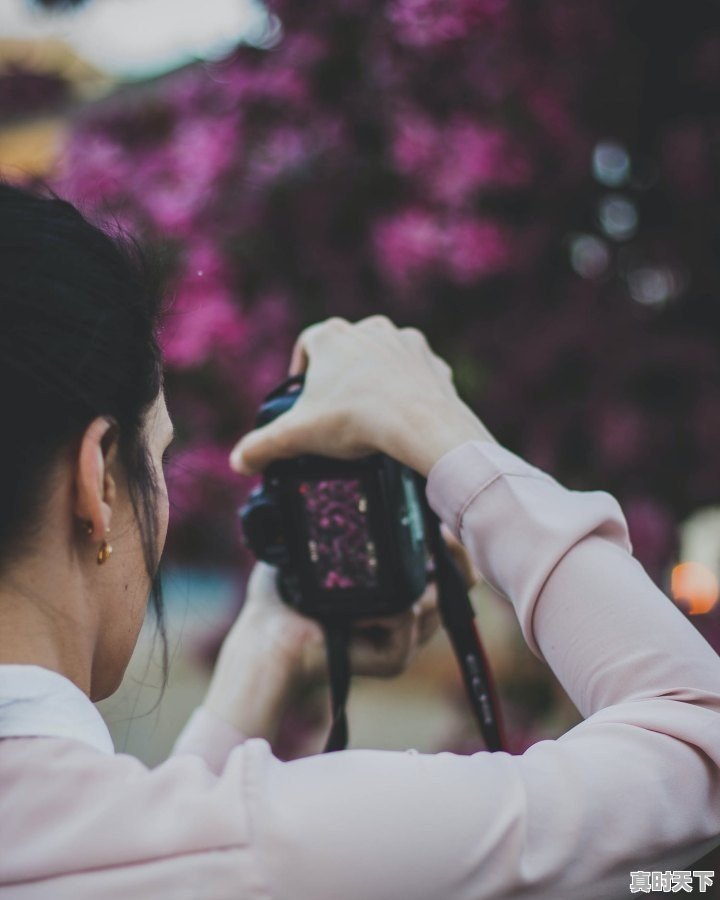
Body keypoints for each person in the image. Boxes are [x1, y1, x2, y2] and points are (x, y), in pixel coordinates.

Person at [0, 181, 718, 900]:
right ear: (99, 483)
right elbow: (697, 751)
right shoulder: (258, 847)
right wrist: (439, 426)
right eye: (160, 458)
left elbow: (166, 856)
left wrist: (265, 655)